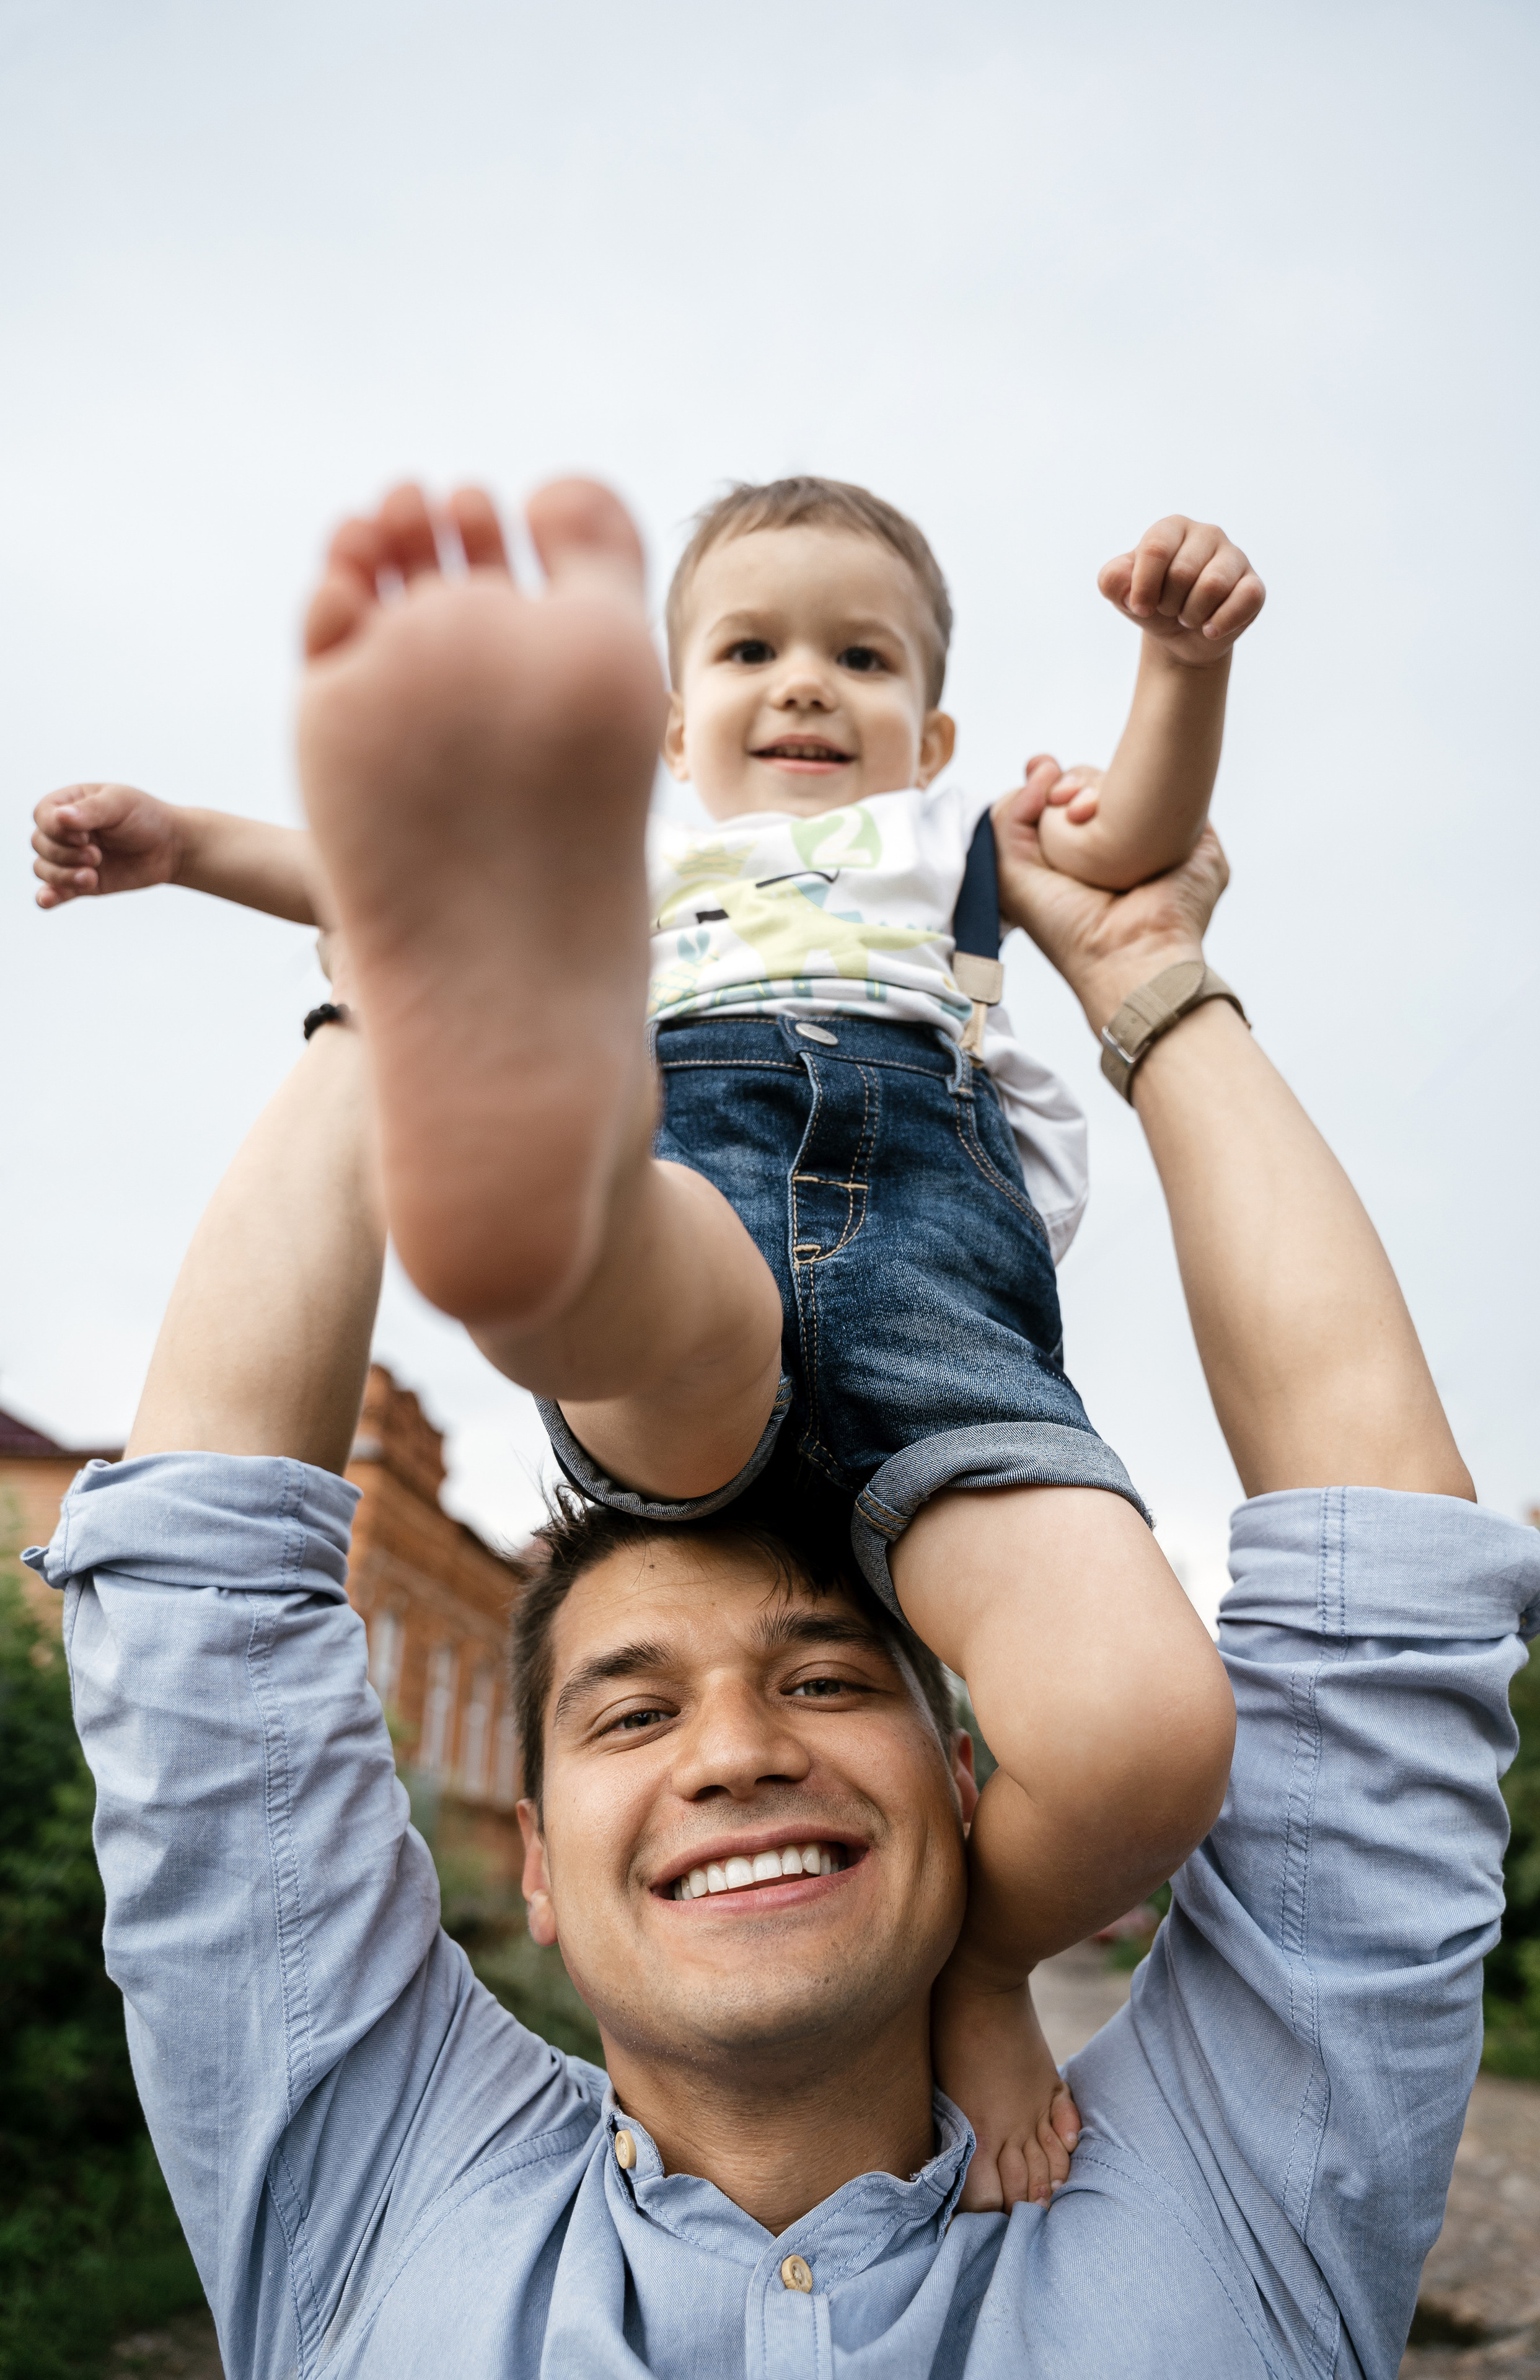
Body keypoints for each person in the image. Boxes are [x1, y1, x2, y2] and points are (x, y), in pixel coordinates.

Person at [27, 764, 1540, 2376]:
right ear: (534, 1867)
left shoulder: (1248, 2199)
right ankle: (586, 1203)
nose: (740, 1754)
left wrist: (1149, 976)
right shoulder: (367, 2195)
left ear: (971, 1782)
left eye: (827, 1680)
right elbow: (214, 1651)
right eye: (628, 1717)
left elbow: (1377, 1617)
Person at [29, 478, 1262, 2202]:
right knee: (629, 1215)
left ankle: (977, 1968)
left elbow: (1131, 836)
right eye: (754, 650)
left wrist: (1178, 664)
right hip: (698, 1237)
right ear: (678, 726)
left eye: (861, 655)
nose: (808, 684)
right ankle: (535, 1203)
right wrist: (185, 844)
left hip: (943, 1318)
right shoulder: (637, 856)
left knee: (1152, 1734)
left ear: (934, 729)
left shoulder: (958, 840)